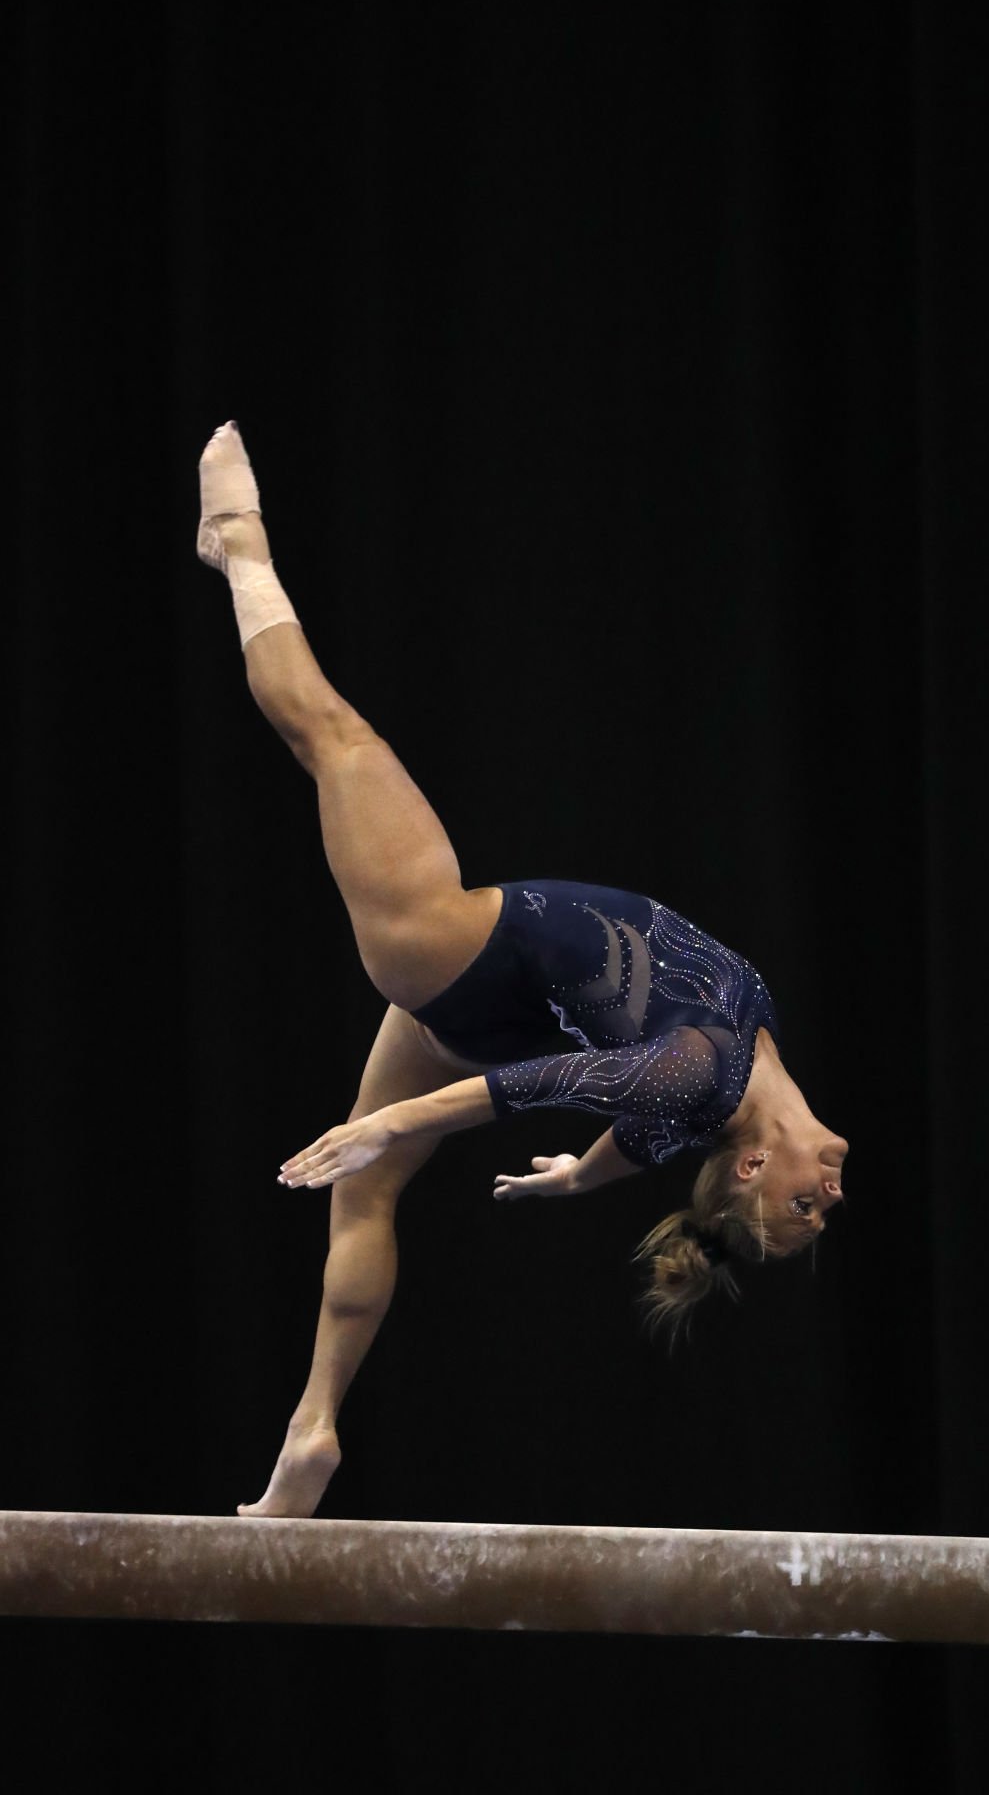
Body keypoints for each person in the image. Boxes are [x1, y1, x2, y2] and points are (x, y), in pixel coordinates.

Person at [196, 421, 848, 1518]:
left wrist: (392, 1122)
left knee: (335, 738)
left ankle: (239, 543)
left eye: (800, 1211)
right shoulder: (709, 1086)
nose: (826, 1201)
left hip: (453, 943)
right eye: (820, 1212)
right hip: (482, 1004)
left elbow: (528, 1090)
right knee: (364, 1200)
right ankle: (312, 1426)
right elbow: (612, 1135)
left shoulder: (705, 1076)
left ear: (748, 1173)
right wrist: (574, 1180)